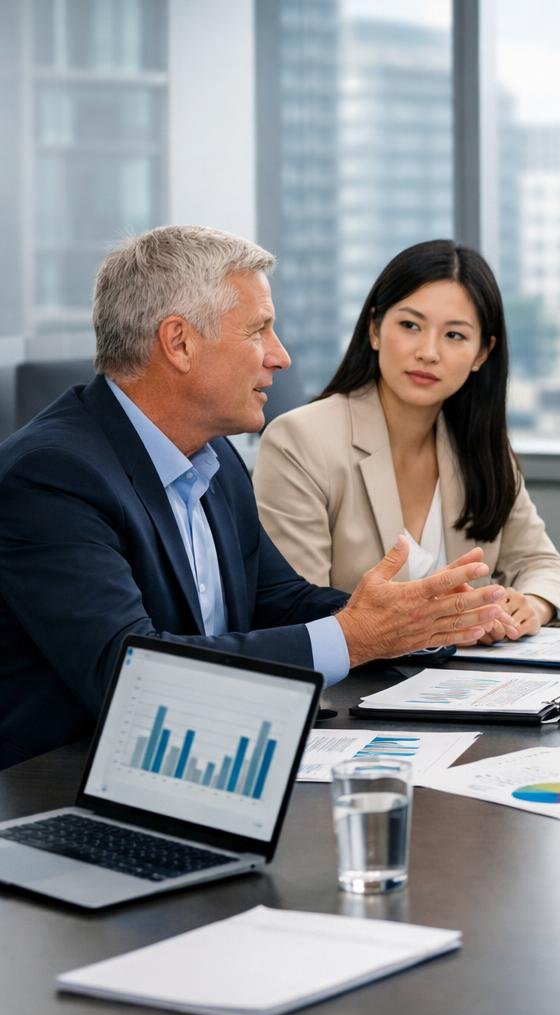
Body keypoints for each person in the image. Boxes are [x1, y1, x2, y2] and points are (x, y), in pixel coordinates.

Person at [0, 226, 510, 770]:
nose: (280, 357)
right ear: (179, 343)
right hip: (65, 790)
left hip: (195, 762)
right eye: (259, 331)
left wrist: (416, 622)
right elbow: (129, 675)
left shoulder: (213, 456)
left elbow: (277, 601)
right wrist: (351, 638)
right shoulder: (52, 476)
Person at [254, 240, 560, 640]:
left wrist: (532, 605)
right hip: (354, 691)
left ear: (482, 353)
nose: (428, 352)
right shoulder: (300, 441)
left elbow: (542, 562)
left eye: (455, 335)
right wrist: (447, 623)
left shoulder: (480, 448)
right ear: (374, 329)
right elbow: (296, 610)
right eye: (410, 326)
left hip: (470, 691)